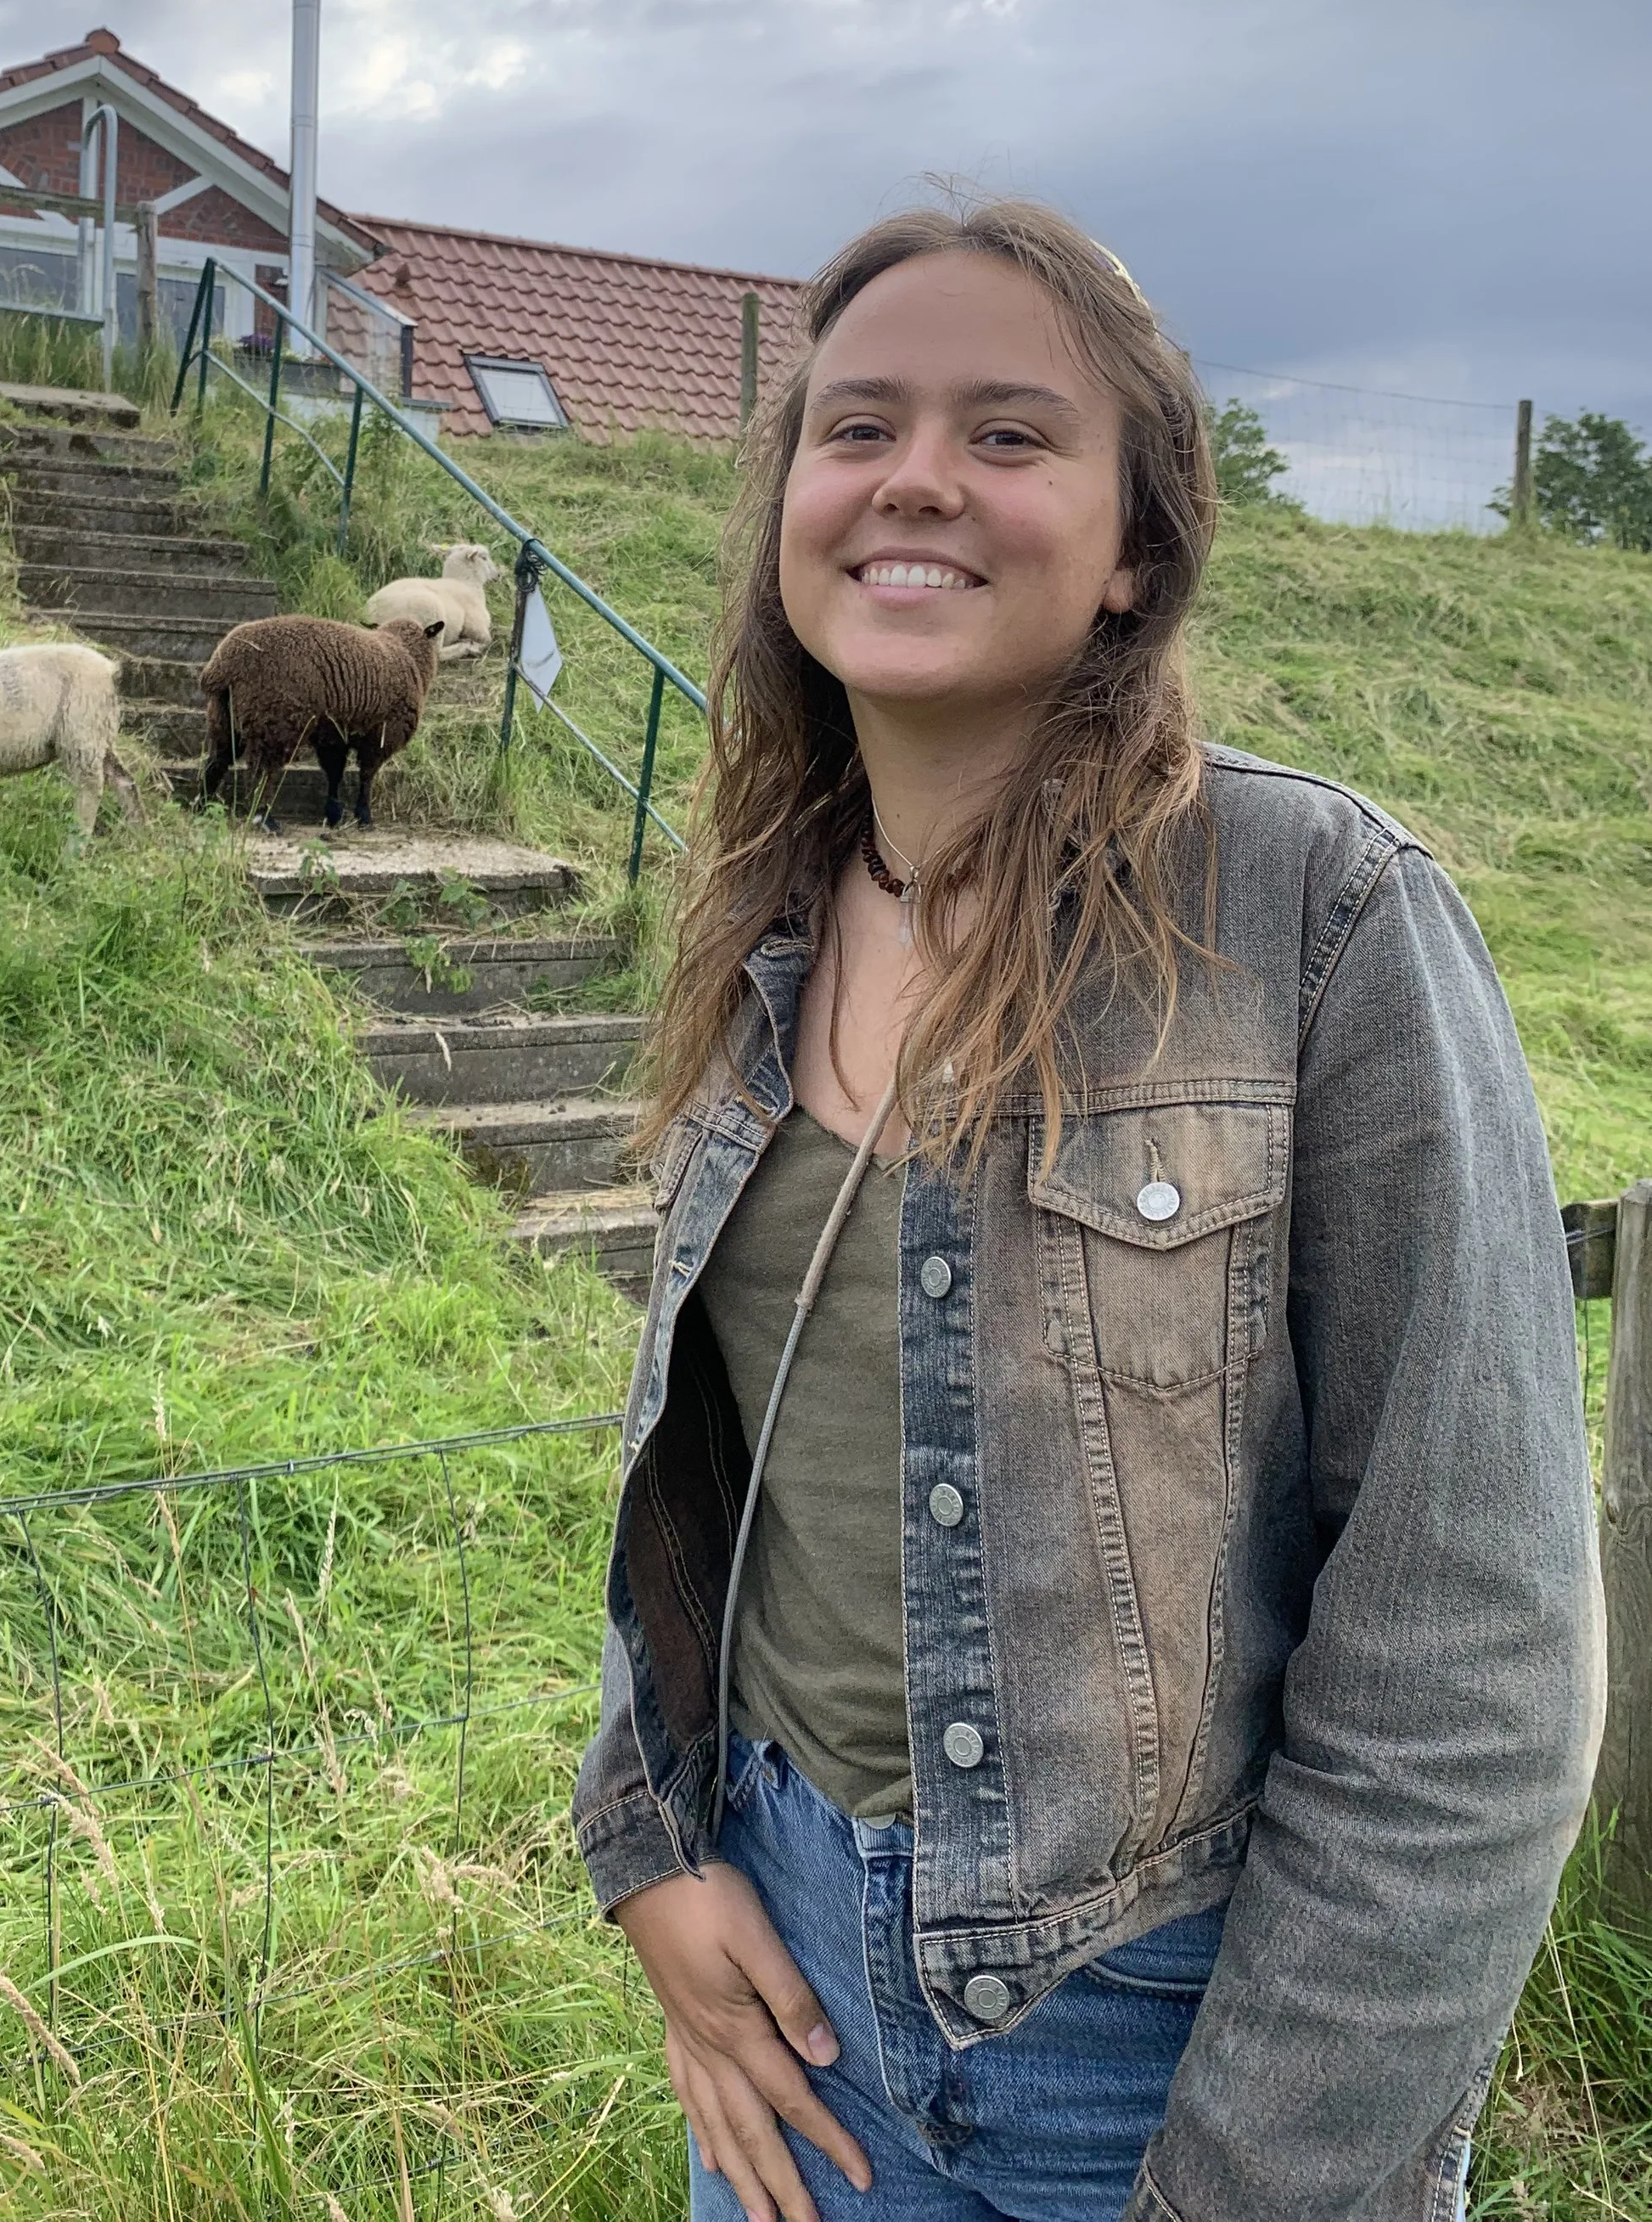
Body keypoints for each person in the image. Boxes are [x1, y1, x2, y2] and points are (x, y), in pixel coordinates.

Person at [572, 201, 1602, 2222]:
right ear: (787, 502)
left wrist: (1252, 2175)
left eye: (1011, 433)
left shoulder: (1315, 916)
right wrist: (652, 1846)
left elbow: (1472, 1662)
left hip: (1171, 2041)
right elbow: (700, 1455)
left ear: (1136, 541)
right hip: (792, 2004)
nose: (916, 476)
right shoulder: (761, 916)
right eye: (853, 424)